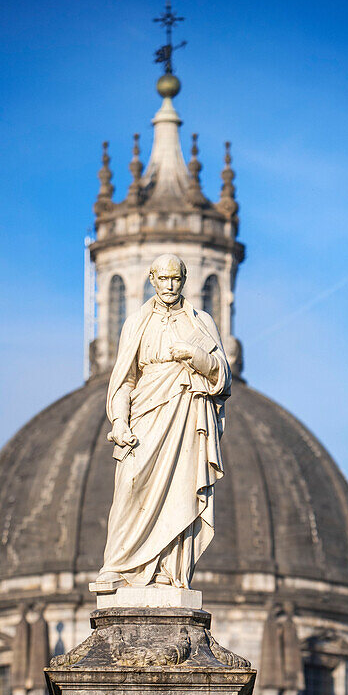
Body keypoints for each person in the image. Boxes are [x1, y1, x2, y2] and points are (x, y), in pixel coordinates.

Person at [91, 253, 231, 591]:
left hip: (186, 416)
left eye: (176, 279)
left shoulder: (201, 323)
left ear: (185, 281)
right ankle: (120, 566)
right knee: (129, 486)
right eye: (163, 279)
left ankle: (169, 570)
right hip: (144, 414)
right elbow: (124, 380)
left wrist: (196, 357)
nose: (169, 285)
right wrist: (120, 421)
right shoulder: (137, 322)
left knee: (182, 489)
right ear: (151, 280)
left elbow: (223, 377)